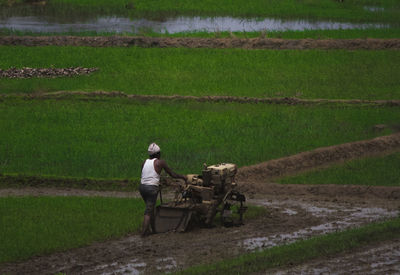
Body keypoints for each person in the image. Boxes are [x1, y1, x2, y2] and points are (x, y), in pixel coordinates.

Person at [139, 142, 187, 237]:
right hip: (151, 188)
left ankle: (153, 230)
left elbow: (146, 175)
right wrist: (183, 177)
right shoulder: (160, 162)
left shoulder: (144, 162)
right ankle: (143, 233)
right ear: (157, 154)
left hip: (142, 188)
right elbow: (172, 174)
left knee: (150, 207)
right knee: (148, 211)